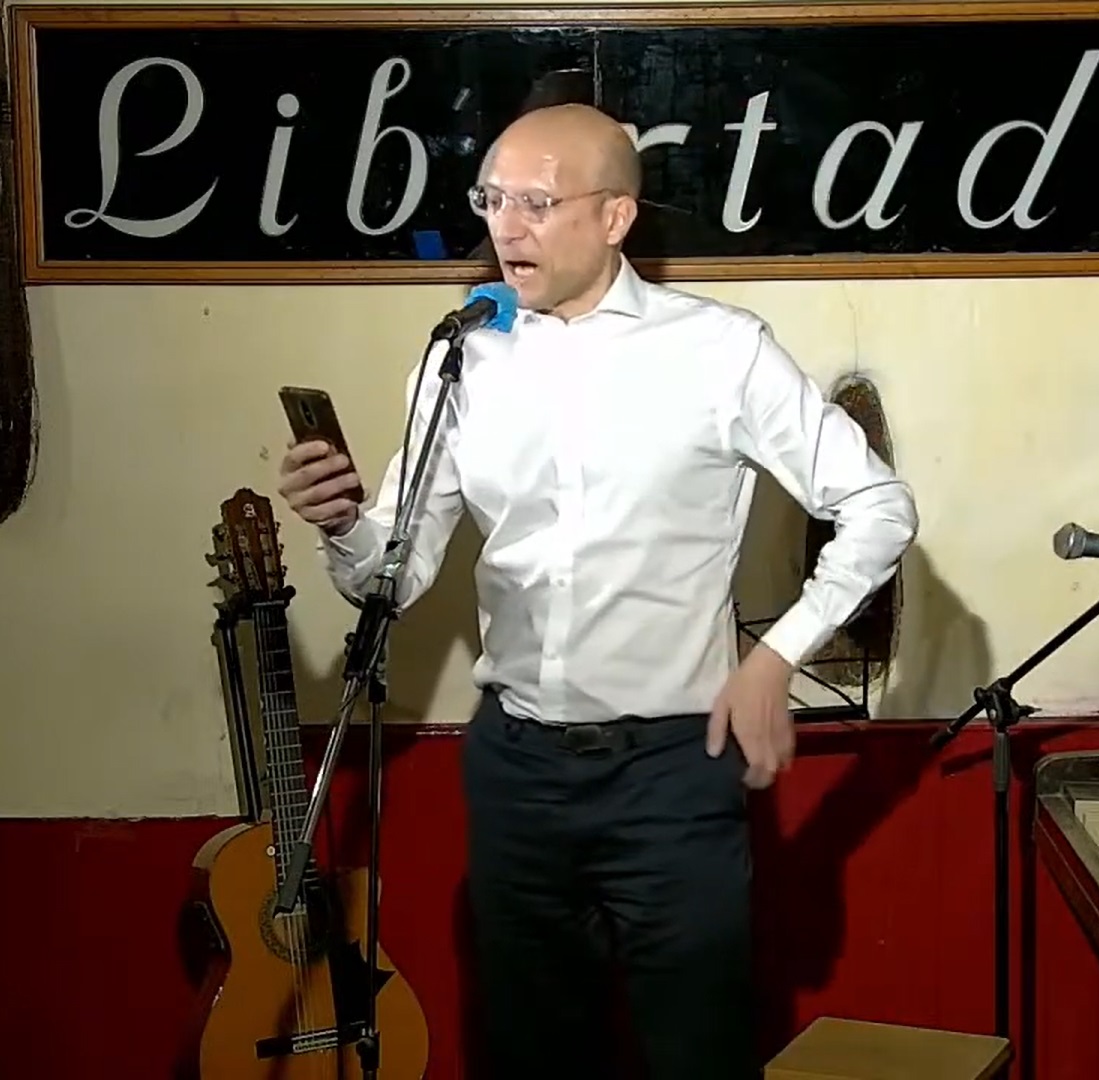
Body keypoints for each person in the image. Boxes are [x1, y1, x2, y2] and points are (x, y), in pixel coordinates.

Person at [277, 104, 917, 1080]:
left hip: (672, 773)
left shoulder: (721, 351)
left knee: (695, 1055)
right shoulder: (462, 356)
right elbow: (393, 577)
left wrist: (779, 654)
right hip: (517, 771)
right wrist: (340, 525)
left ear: (615, 217)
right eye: (492, 199)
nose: (507, 226)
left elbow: (878, 506)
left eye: (536, 202)